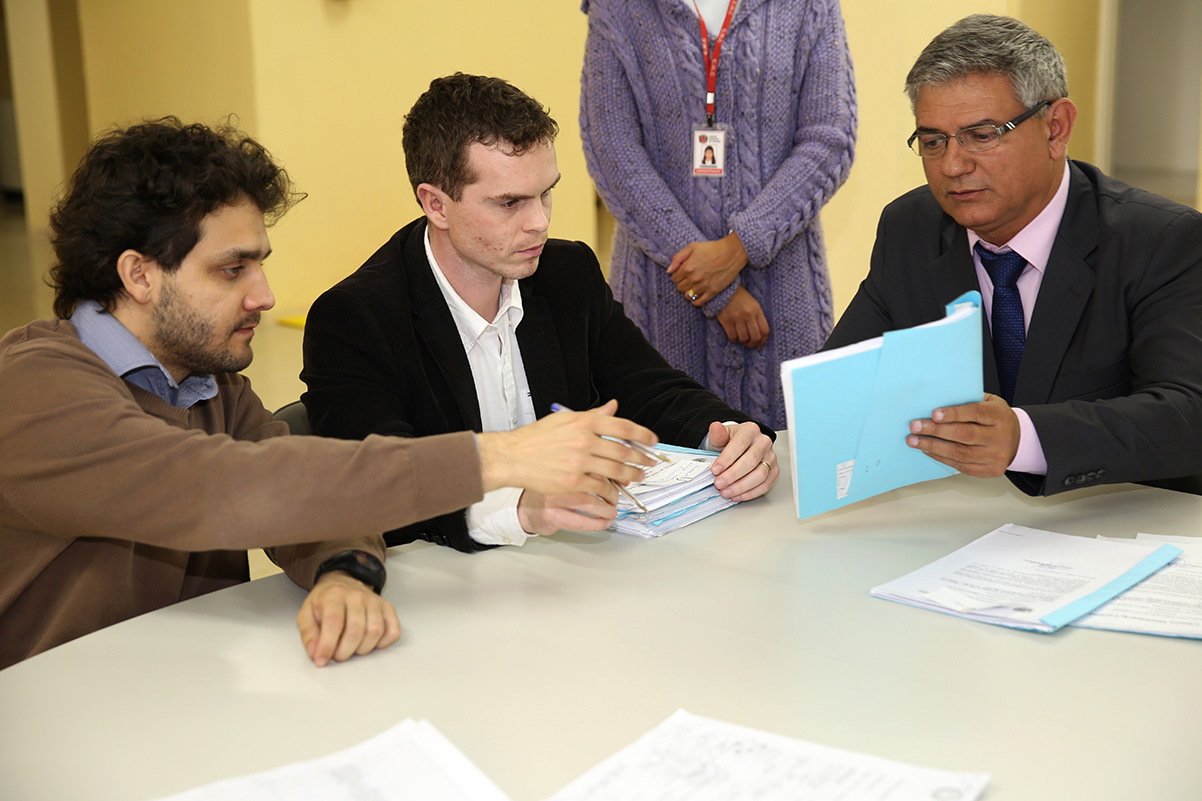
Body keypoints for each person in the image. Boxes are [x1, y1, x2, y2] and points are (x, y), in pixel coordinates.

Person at [0, 117, 659, 671]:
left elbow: (310, 494)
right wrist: (501, 457)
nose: (264, 295)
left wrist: (345, 571)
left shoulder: (211, 388)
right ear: (139, 274)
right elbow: (225, 486)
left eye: (260, 262)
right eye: (233, 269)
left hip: (191, 696)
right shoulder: (36, 387)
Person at [301, 73, 779, 553]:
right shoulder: (355, 320)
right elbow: (380, 494)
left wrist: (729, 436)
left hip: (572, 577)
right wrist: (522, 509)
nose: (540, 222)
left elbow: (649, 388)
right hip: (441, 592)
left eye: (545, 192)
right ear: (436, 205)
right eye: (510, 203)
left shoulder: (566, 272)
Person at [825, 14, 1202, 496]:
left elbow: (1188, 412)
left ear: (1056, 128)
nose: (953, 165)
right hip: (962, 529)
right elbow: (843, 381)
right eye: (933, 141)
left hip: (1113, 527)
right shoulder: (911, 227)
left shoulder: (1160, 241)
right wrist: (756, 436)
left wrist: (1025, 437)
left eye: (982, 134)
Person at [579, 0, 857, 430]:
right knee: (664, 472)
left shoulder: (808, 5)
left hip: (782, 297)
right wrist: (713, 285)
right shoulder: (618, 8)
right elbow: (612, 148)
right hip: (660, 302)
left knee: (799, 465)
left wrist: (741, 245)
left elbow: (830, 138)